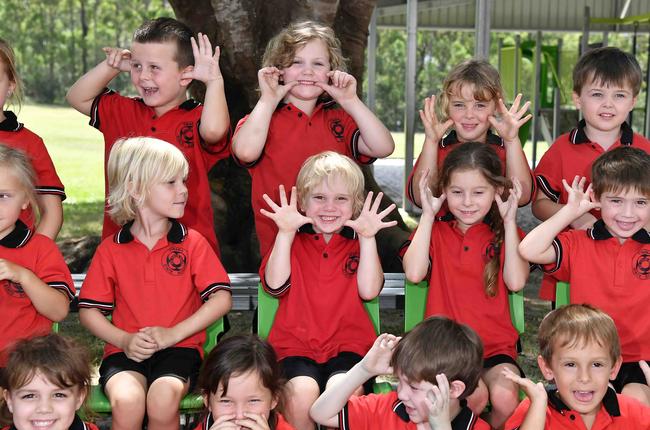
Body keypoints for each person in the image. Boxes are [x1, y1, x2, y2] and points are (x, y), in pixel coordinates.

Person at [78, 137, 232, 430]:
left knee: (162, 400)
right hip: (125, 351)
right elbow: (89, 312)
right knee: (129, 402)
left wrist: (173, 334)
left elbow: (220, 299)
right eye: (171, 182)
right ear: (135, 188)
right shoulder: (111, 250)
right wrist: (124, 340)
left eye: (184, 181)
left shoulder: (192, 243)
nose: (183, 191)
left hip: (180, 350)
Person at [261, 151, 396, 430]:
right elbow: (275, 285)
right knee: (300, 393)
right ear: (303, 203)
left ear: (356, 205)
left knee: (342, 393)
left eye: (340, 199)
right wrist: (285, 233)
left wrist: (367, 239)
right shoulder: (291, 243)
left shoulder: (357, 246)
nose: (329, 207)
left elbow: (369, 290)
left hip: (347, 344)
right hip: (295, 344)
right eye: (319, 198)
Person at [231, 20, 394, 257]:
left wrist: (351, 101)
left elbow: (384, 147)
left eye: (318, 63)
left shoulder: (340, 119)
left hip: (337, 247)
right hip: (282, 250)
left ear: (332, 72)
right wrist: (267, 100)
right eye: (296, 62)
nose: (307, 71)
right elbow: (245, 151)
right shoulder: (262, 119)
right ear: (278, 70)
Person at [66, 17, 229, 253]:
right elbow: (76, 97)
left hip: (187, 252)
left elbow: (214, 131)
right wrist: (111, 66)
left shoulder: (198, 118)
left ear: (186, 75)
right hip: (122, 249)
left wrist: (214, 82)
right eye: (137, 66)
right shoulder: (123, 110)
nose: (143, 76)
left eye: (154, 68)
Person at [401, 142, 529, 430]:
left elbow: (516, 281)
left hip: (494, 346)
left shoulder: (505, 234)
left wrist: (510, 221)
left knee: (505, 395)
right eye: (457, 192)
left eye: (479, 192)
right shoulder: (435, 232)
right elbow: (414, 272)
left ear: (497, 191)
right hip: (446, 349)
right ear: (444, 191)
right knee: (474, 394)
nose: (467, 202)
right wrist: (428, 216)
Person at [519, 146, 650, 407]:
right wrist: (571, 212)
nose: (627, 213)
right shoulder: (579, 243)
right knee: (599, 402)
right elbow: (528, 249)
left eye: (640, 203)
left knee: (635, 402)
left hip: (640, 358)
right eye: (616, 201)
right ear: (597, 198)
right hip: (587, 359)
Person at [310, 317, 492, 430]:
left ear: (453, 390)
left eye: (414, 388)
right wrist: (364, 369)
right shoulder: (385, 408)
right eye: (399, 381)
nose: (402, 394)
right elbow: (321, 413)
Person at [532, 46, 650, 300]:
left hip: (633, 266)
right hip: (574, 263)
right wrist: (576, 216)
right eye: (597, 94)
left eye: (619, 95)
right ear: (577, 98)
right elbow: (539, 204)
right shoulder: (562, 149)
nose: (608, 104)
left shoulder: (645, 149)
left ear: (633, 100)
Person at [500, 304, 650, 430]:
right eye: (570, 364)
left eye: (597, 364)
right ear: (547, 367)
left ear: (614, 368)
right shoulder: (535, 410)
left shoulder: (636, 414)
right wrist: (538, 405)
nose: (584, 378)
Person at [174, 334, 311, 430]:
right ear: (207, 401)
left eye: (253, 401)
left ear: (274, 399)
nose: (239, 415)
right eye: (226, 401)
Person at [405, 59, 533, 209]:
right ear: (447, 106)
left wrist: (512, 142)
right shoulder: (436, 149)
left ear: (497, 106)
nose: (469, 115)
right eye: (459, 105)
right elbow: (422, 199)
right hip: (441, 231)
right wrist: (431, 142)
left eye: (480, 105)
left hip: (496, 232)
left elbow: (522, 197)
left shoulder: (505, 150)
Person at [0, 334, 118, 430]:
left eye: (58, 395)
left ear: (79, 398)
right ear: (9, 399)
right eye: (29, 396)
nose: (44, 408)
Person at [0, 144, 74, 367]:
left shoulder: (40, 248)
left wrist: (24, 276)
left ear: (25, 200)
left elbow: (60, 311)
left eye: (3, 195)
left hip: (26, 364)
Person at [0, 38, 64, 239]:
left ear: (10, 85)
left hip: (14, 266)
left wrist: (33, 258)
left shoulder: (30, 143)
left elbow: (52, 214)